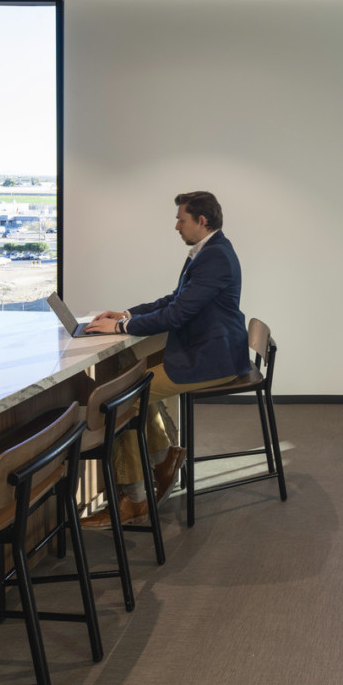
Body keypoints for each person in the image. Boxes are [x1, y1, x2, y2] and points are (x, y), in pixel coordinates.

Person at [84, 191, 251, 521]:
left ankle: (134, 499)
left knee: (122, 401)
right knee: (132, 377)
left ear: (202, 221)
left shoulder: (215, 256)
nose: (176, 226)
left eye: (181, 219)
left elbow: (177, 316)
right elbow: (175, 300)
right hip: (206, 347)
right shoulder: (207, 251)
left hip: (213, 357)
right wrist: (127, 314)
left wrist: (119, 328)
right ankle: (164, 459)